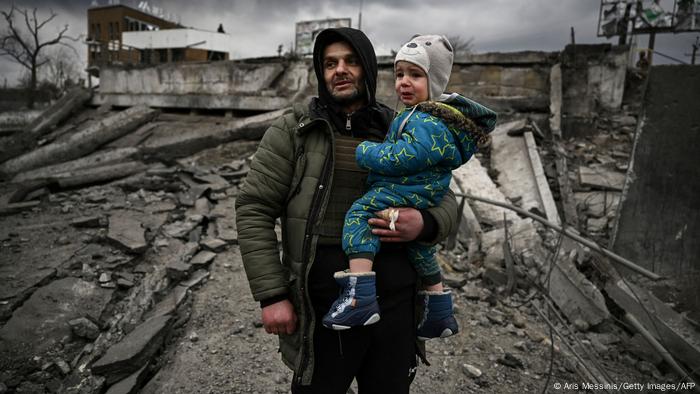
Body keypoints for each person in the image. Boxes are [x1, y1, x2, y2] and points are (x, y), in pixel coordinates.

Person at [235, 28, 459, 393]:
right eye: (329, 63)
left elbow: (445, 198)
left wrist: (425, 223)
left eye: (351, 61)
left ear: (368, 69)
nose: (340, 70)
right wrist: (273, 295)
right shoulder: (296, 129)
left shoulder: (400, 126)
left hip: (397, 304)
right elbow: (253, 208)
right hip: (325, 306)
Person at [322, 35, 497, 341]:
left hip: (407, 187)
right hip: (421, 191)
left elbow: (409, 156)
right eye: (400, 74)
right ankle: (439, 310)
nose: (404, 82)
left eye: (415, 75)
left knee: (360, 213)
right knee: (420, 249)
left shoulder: (425, 120)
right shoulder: (423, 116)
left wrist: (367, 153)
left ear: (436, 81)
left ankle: (359, 294)